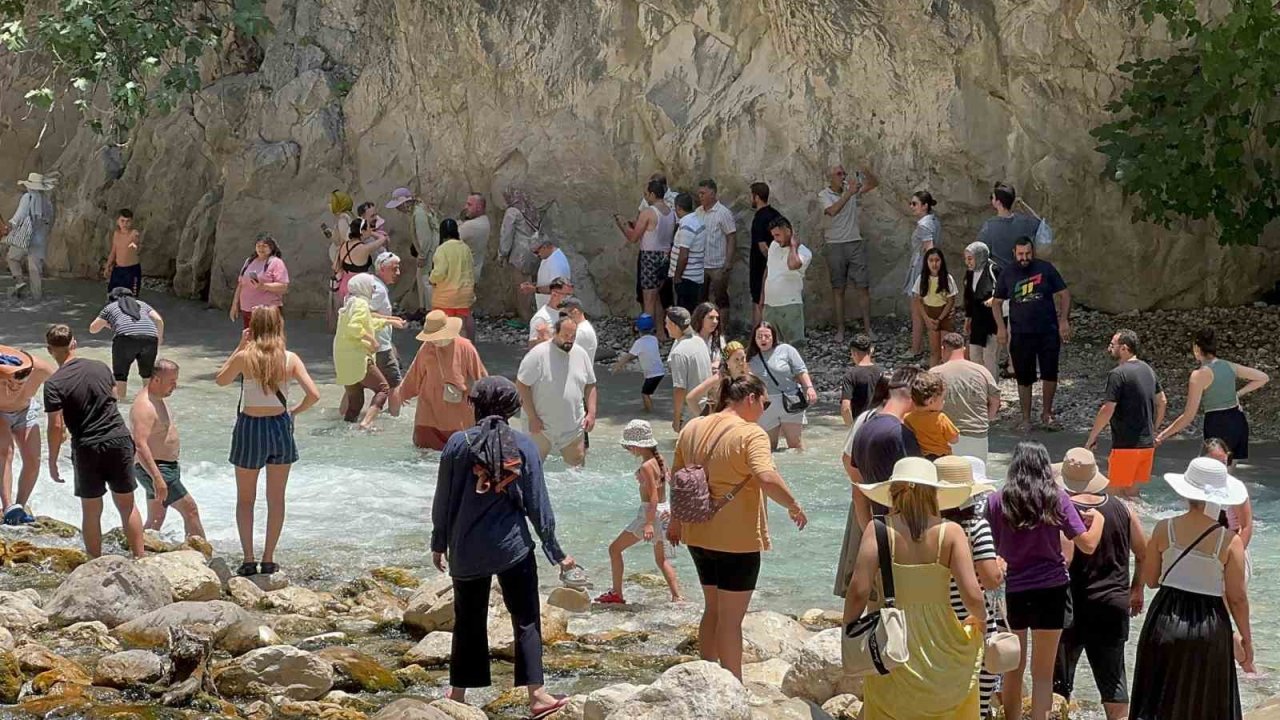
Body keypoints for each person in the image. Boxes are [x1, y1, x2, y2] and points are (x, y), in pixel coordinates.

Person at [431, 376, 576, 720]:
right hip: (513, 548)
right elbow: (538, 504)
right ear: (512, 408)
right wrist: (555, 551)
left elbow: (443, 500)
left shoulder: (457, 444)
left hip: (466, 547)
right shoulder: (524, 446)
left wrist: (439, 542)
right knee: (526, 619)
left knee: (468, 620)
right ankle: (537, 696)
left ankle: (458, 693)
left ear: (476, 405)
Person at [667, 374, 807, 679]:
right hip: (736, 539)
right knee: (731, 621)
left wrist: (675, 521)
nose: (765, 410)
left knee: (712, 609)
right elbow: (766, 477)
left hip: (697, 531)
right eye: (765, 403)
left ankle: (707, 676)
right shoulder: (751, 434)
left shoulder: (692, 427)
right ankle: (733, 684)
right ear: (751, 398)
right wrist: (793, 505)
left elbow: (676, 478)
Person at [844, 457, 987, 719]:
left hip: (892, 641)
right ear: (934, 493)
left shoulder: (878, 530)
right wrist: (981, 621)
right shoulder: (951, 532)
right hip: (941, 640)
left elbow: (858, 591)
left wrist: (849, 629)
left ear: (892, 493)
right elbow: (973, 595)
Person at [986, 441, 1105, 720]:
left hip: (1012, 590)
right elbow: (1087, 545)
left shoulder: (997, 500)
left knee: (1012, 669)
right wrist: (1098, 520)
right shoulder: (1057, 498)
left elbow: (987, 547)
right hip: (1052, 589)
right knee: (1042, 674)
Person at [1129, 457, 1251, 720]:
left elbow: (1151, 580)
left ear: (1186, 493)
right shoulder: (1230, 541)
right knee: (1206, 705)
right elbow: (1237, 598)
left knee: (1158, 702)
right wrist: (1246, 640)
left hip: (1165, 617)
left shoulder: (1164, 529)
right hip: (1210, 624)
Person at [215, 306, 321, 577]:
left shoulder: (244, 357)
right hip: (279, 426)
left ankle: (249, 560)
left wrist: (239, 346)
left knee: (245, 499)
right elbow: (314, 395)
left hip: (250, 427)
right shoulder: (290, 358)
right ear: (279, 326)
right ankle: (269, 558)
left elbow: (221, 380)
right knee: (276, 498)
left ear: (253, 328)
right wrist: (294, 411)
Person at [1051, 447, 1146, 720]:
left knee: (1058, 688)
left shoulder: (1060, 511)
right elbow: (1144, 551)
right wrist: (1137, 588)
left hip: (1070, 606)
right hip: (1112, 605)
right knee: (1114, 688)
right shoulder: (1123, 509)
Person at [42, 324, 145, 558]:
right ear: (74, 343)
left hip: (87, 446)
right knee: (127, 505)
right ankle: (140, 558)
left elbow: (56, 427)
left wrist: (53, 460)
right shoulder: (100, 367)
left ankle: (94, 563)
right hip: (118, 438)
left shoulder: (53, 384)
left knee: (91, 511)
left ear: (49, 350)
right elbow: (114, 397)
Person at [838, 366, 923, 598]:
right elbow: (917, 494)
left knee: (878, 606)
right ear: (913, 395)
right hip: (904, 538)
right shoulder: (901, 434)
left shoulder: (864, 427)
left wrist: (870, 534)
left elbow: (858, 491)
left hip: (877, 530)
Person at [938, 455, 1003, 718]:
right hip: (973, 622)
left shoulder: (929, 529)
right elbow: (989, 578)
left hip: (936, 622)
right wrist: (1001, 568)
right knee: (977, 699)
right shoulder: (976, 527)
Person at [596, 420, 682, 604]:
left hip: (650, 514)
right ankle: (677, 596)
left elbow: (652, 497)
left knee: (614, 549)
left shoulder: (646, 466)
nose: (629, 450)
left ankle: (617, 593)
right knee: (661, 560)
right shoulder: (659, 460)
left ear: (637, 445)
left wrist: (649, 524)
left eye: (629, 446)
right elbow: (665, 487)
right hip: (664, 510)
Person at [992, 236, 1071, 430]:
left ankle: (1047, 414)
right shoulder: (1007, 273)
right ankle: (1026, 418)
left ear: (1032, 251)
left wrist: (1063, 320)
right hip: (1021, 333)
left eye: (1028, 253)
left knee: (1050, 373)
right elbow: (996, 302)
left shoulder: (1045, 268)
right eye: (1021, 254)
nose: (1024, 258)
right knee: (1023, 376)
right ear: (1014, 253)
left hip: (1047, 331)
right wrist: (1001, 328)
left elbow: (1064, 294)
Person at [1156, 327, 1269, 458]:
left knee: (1209, 468)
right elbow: (1263, 377)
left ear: (1197, 348)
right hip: (1238, 421)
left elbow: (1189, 415)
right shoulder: (1230, 366)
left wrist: (1162, 435)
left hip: (1218, 423)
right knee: (1228, 469)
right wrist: (1238, 393)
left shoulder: (1199, 375)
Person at [1085, 329, 1167, 499]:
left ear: (1124, 348)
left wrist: (1091, 438)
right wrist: (1153, 430)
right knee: (1132, 496)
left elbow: (1107, 409)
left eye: (1112, 345)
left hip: (1126, 446)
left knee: (1115, 496)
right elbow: (1162, 401)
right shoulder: (1148, 370)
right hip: (1146, 447)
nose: (1109, 348)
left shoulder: (1117, 374)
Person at [129, 359, 205, 540]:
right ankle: (203, 554)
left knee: (156, 518)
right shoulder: (145, 406)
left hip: (163, 467)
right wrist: (157, 478)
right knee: (190, 510)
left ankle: (138, 548)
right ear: (156, 379)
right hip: (156, 468)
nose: (175, 386)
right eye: (171, 381)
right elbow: (140, 445)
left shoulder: (157, 399)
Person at [516, 315, 597, 466]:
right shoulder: (537, 354)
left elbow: (590, 385)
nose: (569, 340)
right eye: (565, 336)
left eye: (573, 336)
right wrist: (532, 417)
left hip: (572, 425)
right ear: (555, 333)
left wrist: (591, 413)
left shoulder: (581, 354)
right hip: (541, 425)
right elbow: (521, 386)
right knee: (532, 466)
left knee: (578, 463)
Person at [401, 311, 488, 451]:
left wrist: (487, 401)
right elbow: (415, 372)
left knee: (458, 449)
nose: (435, 341)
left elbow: (480, 375)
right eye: (432, 337)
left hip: (457, 408)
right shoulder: (427, 347)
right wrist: (403, 393)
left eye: (438, 337)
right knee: (423, 448)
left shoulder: (465, 347)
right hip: (429, 405)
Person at [335, 275, 404, 430]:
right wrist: (372, 341)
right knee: (383, 389)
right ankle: (366, 423)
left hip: (343, 359)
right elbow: (354, 328)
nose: (373, 289)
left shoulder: (350, 302)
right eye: (371, 286)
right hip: (357, 356)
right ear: (362, 286)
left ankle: (347, 429)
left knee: (356, 401)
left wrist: (389, 321)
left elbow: (367, 322)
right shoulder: (360, 304)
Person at [819, 163, 878, 342]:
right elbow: (832, 211)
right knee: (838, 289)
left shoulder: (850, 190)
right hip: (834, 244)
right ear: (830, 177)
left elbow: (873, 184)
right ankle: (840, 329)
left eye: (843, 173)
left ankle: (868, 328)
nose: (842, 176)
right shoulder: (824, 195)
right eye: (838, 174)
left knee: (863, 287)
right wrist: (849, 193)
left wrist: (866, 169)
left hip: (854, 242)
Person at [0, 346, 54, 525]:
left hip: (26, 410)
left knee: (33, 459)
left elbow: (62, 387)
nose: (13, 388)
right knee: (5, 452)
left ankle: (19, 507)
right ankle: (7, 505)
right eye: (7, 383)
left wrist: (61, 423)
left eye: (19, 384)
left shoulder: (41, 369)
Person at [617, 179, 674, 339]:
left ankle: (647, 338)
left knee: (648, 299)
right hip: (665, 256)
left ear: (653, 194)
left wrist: (622, 224)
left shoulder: (648, 212)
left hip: (649, 256)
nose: (645, 197)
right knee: (657, 297)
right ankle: (661, 333)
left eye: (646, 194)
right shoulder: (670, 212)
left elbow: (633, 237)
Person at [747, 322, 817, 451]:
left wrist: (809, 388)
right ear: (754, 338)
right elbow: (728, 355)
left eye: (767, 336)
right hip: (766, 404)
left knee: (795, 445)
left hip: (791, 400)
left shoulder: (786, 350)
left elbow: (801, 370)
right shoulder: (749, 356)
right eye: (759, 336)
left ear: (773, 337)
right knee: (769, 448)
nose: (763, 339)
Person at [933, 332, 1001, 462]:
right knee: (977, 472)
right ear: (964, 349)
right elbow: (995, 399)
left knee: (948, 473)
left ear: (943, 349)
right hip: (977, 433)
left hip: (946, 435)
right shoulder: (982, 371)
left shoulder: (935, 373)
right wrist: (986, 419)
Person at [89, 287, 164, 400]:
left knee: (120, 376)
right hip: (150, 338)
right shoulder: (142, 304)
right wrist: (159, 338)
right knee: (147, 375)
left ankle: (121, 403)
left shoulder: (110, 307)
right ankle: (150, 403)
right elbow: (158, 320)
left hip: (125, 338)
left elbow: (93, 329)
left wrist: (108, 324)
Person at [386, 187, 441, 313]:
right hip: (429, 252)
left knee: (426, 281)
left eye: (399, 205)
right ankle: (425, 309)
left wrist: (422, 255)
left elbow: (424, 237)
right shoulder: (418, 211)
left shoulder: (419, 214)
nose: (398, 208)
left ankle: (432, 311)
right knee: (423, 280)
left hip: (429, 252)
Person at [695, 179, 737, 331]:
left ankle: (722, 331)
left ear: (712, 193)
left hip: (718, 265)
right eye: (699, 193)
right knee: (701, 299)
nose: (700, 196)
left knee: (721, 298)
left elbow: (731, 237)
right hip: (701, 264)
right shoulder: (698, 212)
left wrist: (728, 261)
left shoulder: (723, 213)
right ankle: (703, 330)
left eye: (703, 193)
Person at [1203, 438, 1255, 563]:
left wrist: (1234, 557)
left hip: (1232, 548)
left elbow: (1246, 527)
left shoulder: (1235, 487)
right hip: (1204, 548)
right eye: (1214, 464)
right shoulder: (1194, 487)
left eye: (1223, 463)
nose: (1220, 468)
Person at [5, 172, 56, 299]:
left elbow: (19, 216)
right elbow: (50, 220)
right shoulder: (47, 202)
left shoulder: (27, 197)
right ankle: (37, 297)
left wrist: (10, 226)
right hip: (40, 240)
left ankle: (20, 282)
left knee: (12, 258)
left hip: (24, 237)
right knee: (35, 270)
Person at [762, 217, 813, 343]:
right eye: (773, 235)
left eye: (778, 235)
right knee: (771, 344)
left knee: (794, 344)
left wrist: (793, 246)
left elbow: (793, 265)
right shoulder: (774, 245)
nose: (775, 239)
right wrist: (762, 297)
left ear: (788, 231)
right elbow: (768, 270)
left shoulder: (804, 252)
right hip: (770, 305)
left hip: (790, 305)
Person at [367, 253, 406, 415]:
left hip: (367, 345)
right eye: (394, 269)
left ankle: (343, 416)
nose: (398, 273)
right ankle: (395, 418)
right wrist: (391, 321)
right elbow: (366, 313)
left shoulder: (371, 284)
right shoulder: (379, 290)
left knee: (355, 384)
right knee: (395, 384)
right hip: (379, 345)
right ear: (382, 269)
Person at [903, 191, 941, 357]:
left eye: (915, 204)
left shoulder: (924, 225)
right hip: (925, 268)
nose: (911, 207)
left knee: (917, 311)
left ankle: (916, 348)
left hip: (921, 269)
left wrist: (928, 274)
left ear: (925, 206)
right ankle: (932, 347)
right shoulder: (934, 221)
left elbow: (929, 249)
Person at [499, 189, 545, 322]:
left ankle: (526, 318)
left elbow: (506, 234)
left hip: (519, 255)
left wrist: (502, 253)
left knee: (521, 287)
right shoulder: (530, 210)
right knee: (531, 285)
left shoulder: (512, 211)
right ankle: (533, 315)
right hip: (534, 252)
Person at [665, 306, 712, 432]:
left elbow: (680, 389)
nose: (665, 326)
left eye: (667, 323)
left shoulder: (678, 353)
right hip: (704, 407)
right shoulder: (700, 341)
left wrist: (676, 418)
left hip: (689, 413)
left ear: (674, 325)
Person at [977, 182, 1043, 271]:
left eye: (993, 197)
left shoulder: (990, 226)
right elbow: (1042, 225)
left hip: (1000, 275)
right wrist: (1024, 205)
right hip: (1023, 273)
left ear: (998, 202)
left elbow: (979, 252)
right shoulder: (1025, 222)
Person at [429, 218, 477, 339]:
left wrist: (432, 278)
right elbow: (471, 270)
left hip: (446, 296)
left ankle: (448, 350)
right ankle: (464, 349)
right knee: (461, 327)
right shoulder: (465, 248)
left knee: (444, 328)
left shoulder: (442, 249)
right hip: (464, 295)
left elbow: (439, 272)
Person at [910, 247, 958, 367]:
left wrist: (940, 318)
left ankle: (947, 373)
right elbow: (918, 300)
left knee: (946, 349)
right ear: (926, 262)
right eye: (931, 260)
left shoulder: (947, 278)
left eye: (937, 260)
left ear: (942, 261)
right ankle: (933, 374)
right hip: (930, 314)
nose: (934, 264)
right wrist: (926, 318)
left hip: (944, 315)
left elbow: (951, 300)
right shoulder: (922, 278)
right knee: (934, 350)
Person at [231, 234, 290, 328]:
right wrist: (234, 304)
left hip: (267, 311)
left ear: (271, 247)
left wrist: (263, 286)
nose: (261, 248)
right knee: (249, 336)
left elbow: (283, 287)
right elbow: (241, 284)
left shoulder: (276, 263)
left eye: (264, 246)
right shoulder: (249, 261)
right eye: (258, 246)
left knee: (267, 337)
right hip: (248, 309)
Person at [611, 313, 666, 414]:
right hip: (660, 371)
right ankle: (648, 409)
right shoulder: (654, 339)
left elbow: (628, 356)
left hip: (652, 374)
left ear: (637, 328)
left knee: (645, 394)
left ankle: (649, 412)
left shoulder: (639, 343)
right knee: (646, 392)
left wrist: (617, 366)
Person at [962, 241, 1001, 378]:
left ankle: (992, 388)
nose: (967, 262)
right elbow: (968, 297)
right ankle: (979, 386)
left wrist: (994, 299)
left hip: (992, 321)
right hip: (977, 321)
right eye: (966, 259)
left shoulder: (993, 270)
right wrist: (968, 319)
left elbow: (1004, 291)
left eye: (970, 258)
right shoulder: (970, 273)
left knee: (990, 358)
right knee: (975, 357)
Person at [903, 371, 959, 460]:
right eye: (942, 399)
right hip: (942, 456)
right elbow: (954, 440)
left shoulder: (907, 418)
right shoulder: (941, 418)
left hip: (921, 457)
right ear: (930, 401)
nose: (944, 402)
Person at [748, 182, 781, 328]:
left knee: (758, 301)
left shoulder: (759, 219)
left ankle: (757, 334)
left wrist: (771, 261)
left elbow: (762, 246)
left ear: (756, 197)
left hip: (760, 266)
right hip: (776, 266)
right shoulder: (776, 215)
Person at [668, 193, 706, 313]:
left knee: (684, 312)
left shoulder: (687, 225)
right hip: (693, 275)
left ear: (678, 208)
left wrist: (677, 276)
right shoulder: (696, 220)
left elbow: (684, 255)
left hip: (687, 277)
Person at [323, 191, 355, 330]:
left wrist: (340, 262)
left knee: (340, 291)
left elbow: (344, 242)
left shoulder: (343, 219)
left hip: (342, 263)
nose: (330, 204)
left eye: (332, 202)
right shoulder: (346, 218)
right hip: (343, 261)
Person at [333, 223, 386, 302]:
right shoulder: (365, 248)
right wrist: (372, 233)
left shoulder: (344, 245)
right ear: (362, 232)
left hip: (345, 285)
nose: (370, 230)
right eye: (368, 228)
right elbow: (382, 238)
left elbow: (335, 266)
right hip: (360, 285)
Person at [685, 302, 724, 410]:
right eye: (710, 318)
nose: (715, 321)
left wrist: (718, 363)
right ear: (701, 318)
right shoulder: (688, 339)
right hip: (694, 389)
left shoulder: (719, 340)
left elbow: (725, 357)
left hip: (714, 391)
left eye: (717, 318)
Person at [521, 236, 572, 311]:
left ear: (544, 247)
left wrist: (534, 289)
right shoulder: (548, 256)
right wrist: (533, 285)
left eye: (536, 252)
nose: (536, 255)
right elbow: (548, 280)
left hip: (554, 311)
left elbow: (558, 288)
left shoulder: (557, 263)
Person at [840, 333, 880, 426]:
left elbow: (846, 408)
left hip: (861, 426)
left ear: (854, 353)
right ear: (871, 351)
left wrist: (852, 427)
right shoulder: (882, 373)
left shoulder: (850, 375)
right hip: (880, 425)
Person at [104, 209, 143, 295]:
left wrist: (136, 241)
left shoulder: (133, 233)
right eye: (122, 221)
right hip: (118, 269)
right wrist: (108, 266)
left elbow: (136, 244)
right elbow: (113, 251)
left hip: (132, 270)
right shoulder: (116, 234)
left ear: (131, 222)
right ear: (117, 221)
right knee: (112, 295)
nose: (125, 224)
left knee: (131, 296)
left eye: (128, 221)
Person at [527, 277, 573, 347]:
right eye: (567, 295)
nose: (570, 299)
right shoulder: (541, 318)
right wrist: (544, 338)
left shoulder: (569, 313)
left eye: (571, 295)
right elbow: (531, 346)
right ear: (554, 294)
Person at [458, 193, 491, 283]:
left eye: (469, 205)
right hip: (473, 272)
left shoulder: (471, 226)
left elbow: (447, 240)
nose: (465, 207)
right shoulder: (485, 220)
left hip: (462, 276)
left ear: (479, 207)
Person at [559, 297, 597, 362]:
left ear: (575, 312)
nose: (563, 318)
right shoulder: (584, 327)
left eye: (565, 314)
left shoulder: (581, 331)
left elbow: (566, 355)